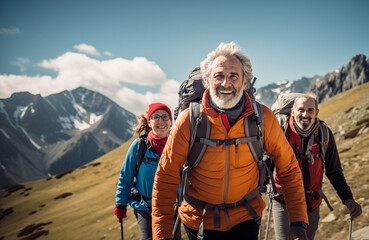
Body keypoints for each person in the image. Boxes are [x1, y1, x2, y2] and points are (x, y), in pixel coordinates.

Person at [151, 42, 309, 240]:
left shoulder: (263, 118)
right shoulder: (189, 120)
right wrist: (161, 236)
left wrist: (298, 221)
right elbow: (166, 178)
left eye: (234, 76)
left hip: (246, 219)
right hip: (199, 223)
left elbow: (288, 168)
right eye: (219, 76)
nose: (226, 83)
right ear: (208, 81)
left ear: (244, 83)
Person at [272, 95, 362, 240]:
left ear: (316, 112)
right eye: (301, 110)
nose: (305, 114)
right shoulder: (281, 131)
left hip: (312, 203)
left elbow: (334, 171)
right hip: (284, 202)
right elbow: (265, 163)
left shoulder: (324, 134)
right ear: (292, 112)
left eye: (310, 110)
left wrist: (347, 198)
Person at [114, 103, 173, 240]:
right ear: (149, 122)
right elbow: (125, 177)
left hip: (170, 206)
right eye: (156, 117)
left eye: (165, 117)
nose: (161, 121)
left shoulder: (177, 144)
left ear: (171, 121)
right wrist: (120, 204)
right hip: (144, 207)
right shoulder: (139, 145)